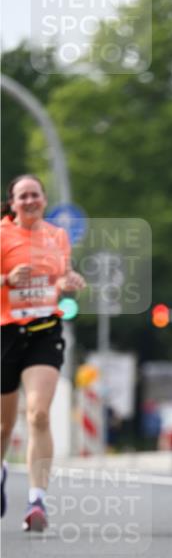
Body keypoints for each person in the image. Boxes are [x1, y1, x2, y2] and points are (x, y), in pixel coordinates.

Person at [1, 174, 85, 531]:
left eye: (35, 195)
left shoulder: (57, 236)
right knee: (4, 424)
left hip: (43, 331)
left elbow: (64, 283)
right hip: (5, 332)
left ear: (45, 200)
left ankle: (37, 500)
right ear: (13, 202)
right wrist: (6, 280)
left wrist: (70, 284)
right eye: (23, 196)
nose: (30, 201)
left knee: (37, 414)